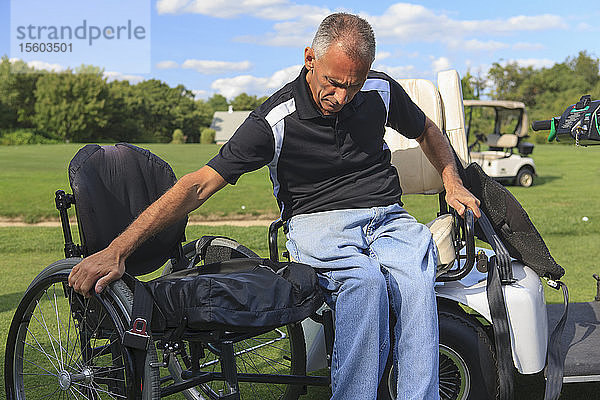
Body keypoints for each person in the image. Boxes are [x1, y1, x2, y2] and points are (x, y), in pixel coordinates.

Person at [69, 12, 480, 400]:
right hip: (319, 224)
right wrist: (117, 249)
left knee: (414, 278)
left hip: (388, 216)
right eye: (334, 83)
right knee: (364, 285)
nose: (342, 97)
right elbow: (198, 186)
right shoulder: (275, 119)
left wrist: (453, 180)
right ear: (309, 59)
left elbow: (425, 127)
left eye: (353, 85)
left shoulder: (379, 90)